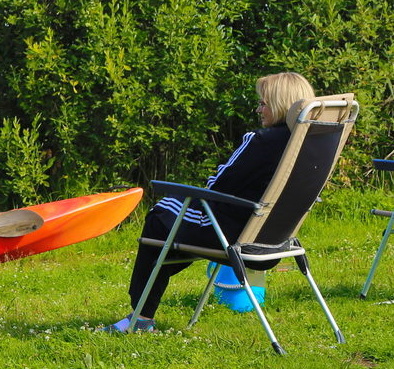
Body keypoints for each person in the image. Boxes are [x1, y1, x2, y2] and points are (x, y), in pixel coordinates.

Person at [104, 72, 316, 333]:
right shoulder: (311, 145)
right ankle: (146, 306)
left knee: (161, 214)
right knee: (170, 229)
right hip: (277, 240)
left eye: (263, 103)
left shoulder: (260, 141)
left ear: (282, 104)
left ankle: (141, 317)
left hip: (234, 235)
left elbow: (217, 185)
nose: (259, 109)